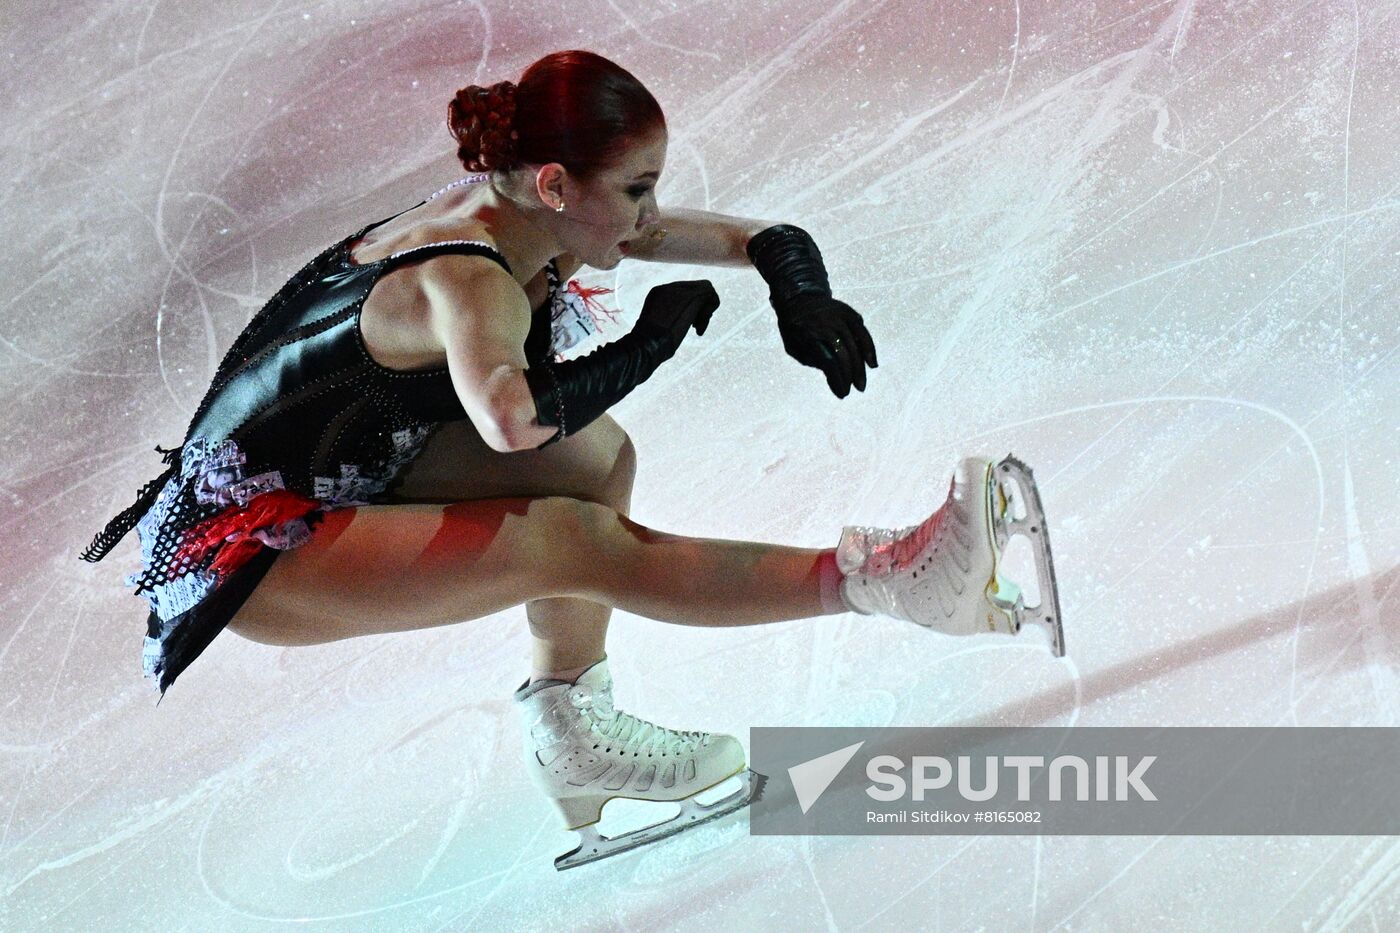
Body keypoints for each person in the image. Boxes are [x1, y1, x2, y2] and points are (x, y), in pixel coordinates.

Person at [80, 49, 1062, 868]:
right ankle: (892, 584)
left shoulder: (522, 212)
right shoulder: (466, 281)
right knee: (567, 536)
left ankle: (572, 732)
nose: (648, 216)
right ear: (556, 184)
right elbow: (511, 426)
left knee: (593, 463)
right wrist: (648, 344)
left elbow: (755, 234)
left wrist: (795, 291)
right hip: (253, 555)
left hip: (344, 469)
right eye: (635, 191)